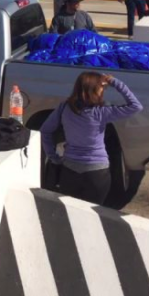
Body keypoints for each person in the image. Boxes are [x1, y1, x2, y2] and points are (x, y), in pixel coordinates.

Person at [40, 72, 142, 205]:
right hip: (97, 171)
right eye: (102, 88)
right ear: (94, 90)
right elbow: (136, 106)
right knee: (94, 213)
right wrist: (114, 82)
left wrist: (53, 156)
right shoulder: (102, 112)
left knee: (71, 212)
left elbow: (45, 130)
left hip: (70, 169)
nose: (103, 91)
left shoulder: (64, 108)